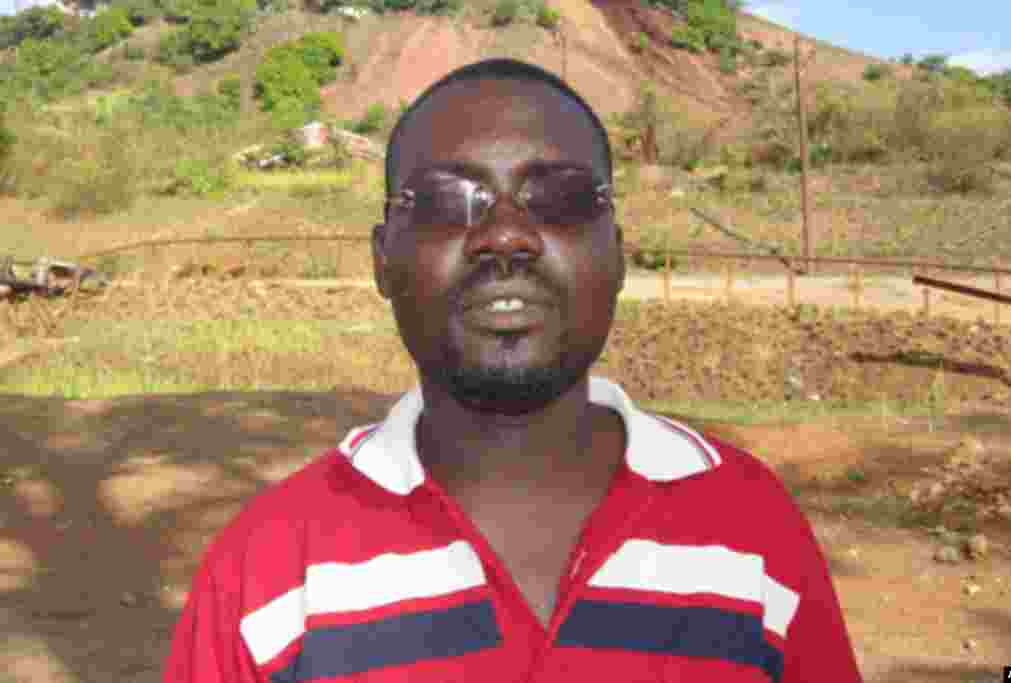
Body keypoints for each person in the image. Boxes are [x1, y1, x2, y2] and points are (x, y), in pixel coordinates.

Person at [163, 58, 862, 683]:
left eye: (557, 198)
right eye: (445, 200)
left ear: (616, 254)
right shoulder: (267, 581)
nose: (505, 235)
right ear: (382, 259)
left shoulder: (751, 534)